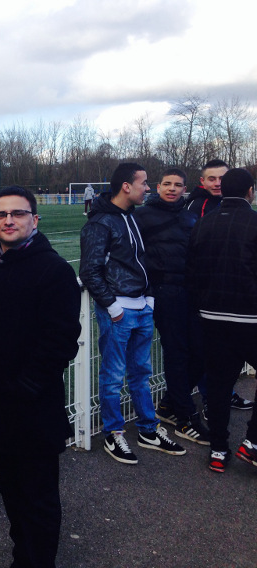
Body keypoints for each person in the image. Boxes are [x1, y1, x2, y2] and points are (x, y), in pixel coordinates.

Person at [0, 186, 80, 568]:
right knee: (12, 495)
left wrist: (25, 387)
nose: (9, 220)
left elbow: (61, 340)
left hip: (33, 411)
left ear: (35, 219)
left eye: (17, 214)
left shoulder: (54, 271)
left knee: (38, 499)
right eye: (1, 215)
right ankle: (24, 558)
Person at [79, 162, 186, 464]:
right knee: (113, 376)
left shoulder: (132, 218)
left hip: (142, 308)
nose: (148, 188)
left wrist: (149, 299)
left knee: (142, 374)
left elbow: (143, 261)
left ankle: (148, 430)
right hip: (119, 312)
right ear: (126, 186)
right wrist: (113, 308)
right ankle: (114, 434)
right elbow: (89, 271)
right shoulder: (100, 223)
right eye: (144, 183)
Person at [186, 168, 257, 473]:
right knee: (218, 385)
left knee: (217, 385)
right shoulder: (254, 221)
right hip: (250, 318)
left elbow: (191, 272)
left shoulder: (203, 223)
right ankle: (252, 443)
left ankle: (218, 449)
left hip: (212, 318)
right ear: (250, 191)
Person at [134, 169, 209, 444]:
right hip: (164, 293)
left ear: (184, 188)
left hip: (191, 292)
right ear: (158, 186)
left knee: (201, 353)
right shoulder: (141, 216)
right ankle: (185, 417)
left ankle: (167, 404)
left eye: (178, 185)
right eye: (167, 184)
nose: (172, 189)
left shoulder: (190, 217)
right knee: (177, 353)